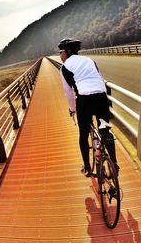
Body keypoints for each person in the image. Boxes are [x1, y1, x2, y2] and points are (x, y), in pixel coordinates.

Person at [58, 38, 118, 177]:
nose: (60, 55)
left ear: (67, 51)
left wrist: (72, 109)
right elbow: (100, 79)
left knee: (83, 134)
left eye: (61, 52)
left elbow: (68, 93)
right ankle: (114, 164)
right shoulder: (89, 60)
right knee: (105, 129)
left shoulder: (65, 67)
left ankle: (87, 168)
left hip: (84, 100)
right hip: (101, 97)